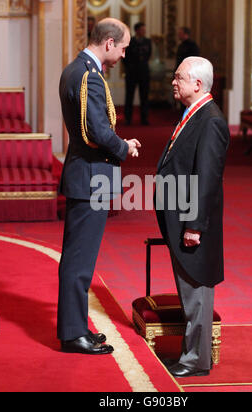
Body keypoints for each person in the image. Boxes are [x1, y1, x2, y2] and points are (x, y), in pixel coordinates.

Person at [58, 18, 141, 355]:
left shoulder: (75, 69)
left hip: (85, 174)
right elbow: (96, 132)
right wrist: (124, 147)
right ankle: (72, 333)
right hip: (91, 177)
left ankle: (76, 328)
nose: (123, 55)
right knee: (79, 263)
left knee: (80, 261)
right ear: (108, 43)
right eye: (122, 48)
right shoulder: (88, 77)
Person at [155, 57, 230, 377]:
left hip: (193, 224)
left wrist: (194, 226)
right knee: (190, 293)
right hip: (182, 220)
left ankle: (195, 361)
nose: (174, 82)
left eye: (179, 77)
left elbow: (207, 178)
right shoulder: (195, 113)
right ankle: (192, 356)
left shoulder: (210, 119)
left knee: (197, 294)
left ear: (197, 84)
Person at [123, 22, 152, 125]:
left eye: (144, 30)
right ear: (137, 30)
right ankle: (128, 119)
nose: (144, 32)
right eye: (142, 30)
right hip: (131, 73)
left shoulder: (148, 41)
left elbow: (148, 55)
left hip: (144, 73)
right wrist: (129, 67)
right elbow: (125, 56)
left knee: (144, 96)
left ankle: (144, 119)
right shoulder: (130, 41)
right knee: (129, 96)